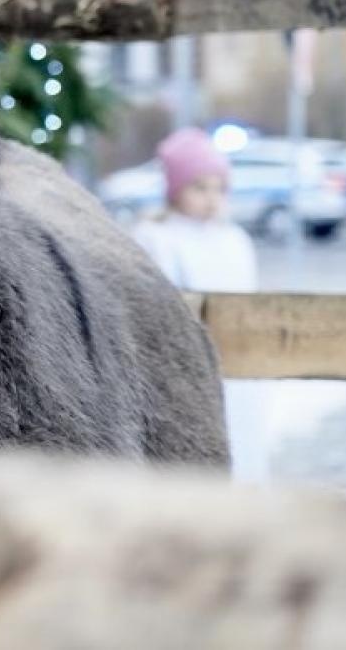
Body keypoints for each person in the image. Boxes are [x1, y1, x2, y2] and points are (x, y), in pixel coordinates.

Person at [131, 127, 266, 478]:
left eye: (218, 188)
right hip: (189, 361)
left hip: (241, 362)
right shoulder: (158, 238)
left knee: (243, 437)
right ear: (176, 189)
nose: (211, 198)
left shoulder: (235, 240)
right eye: (199, 187)